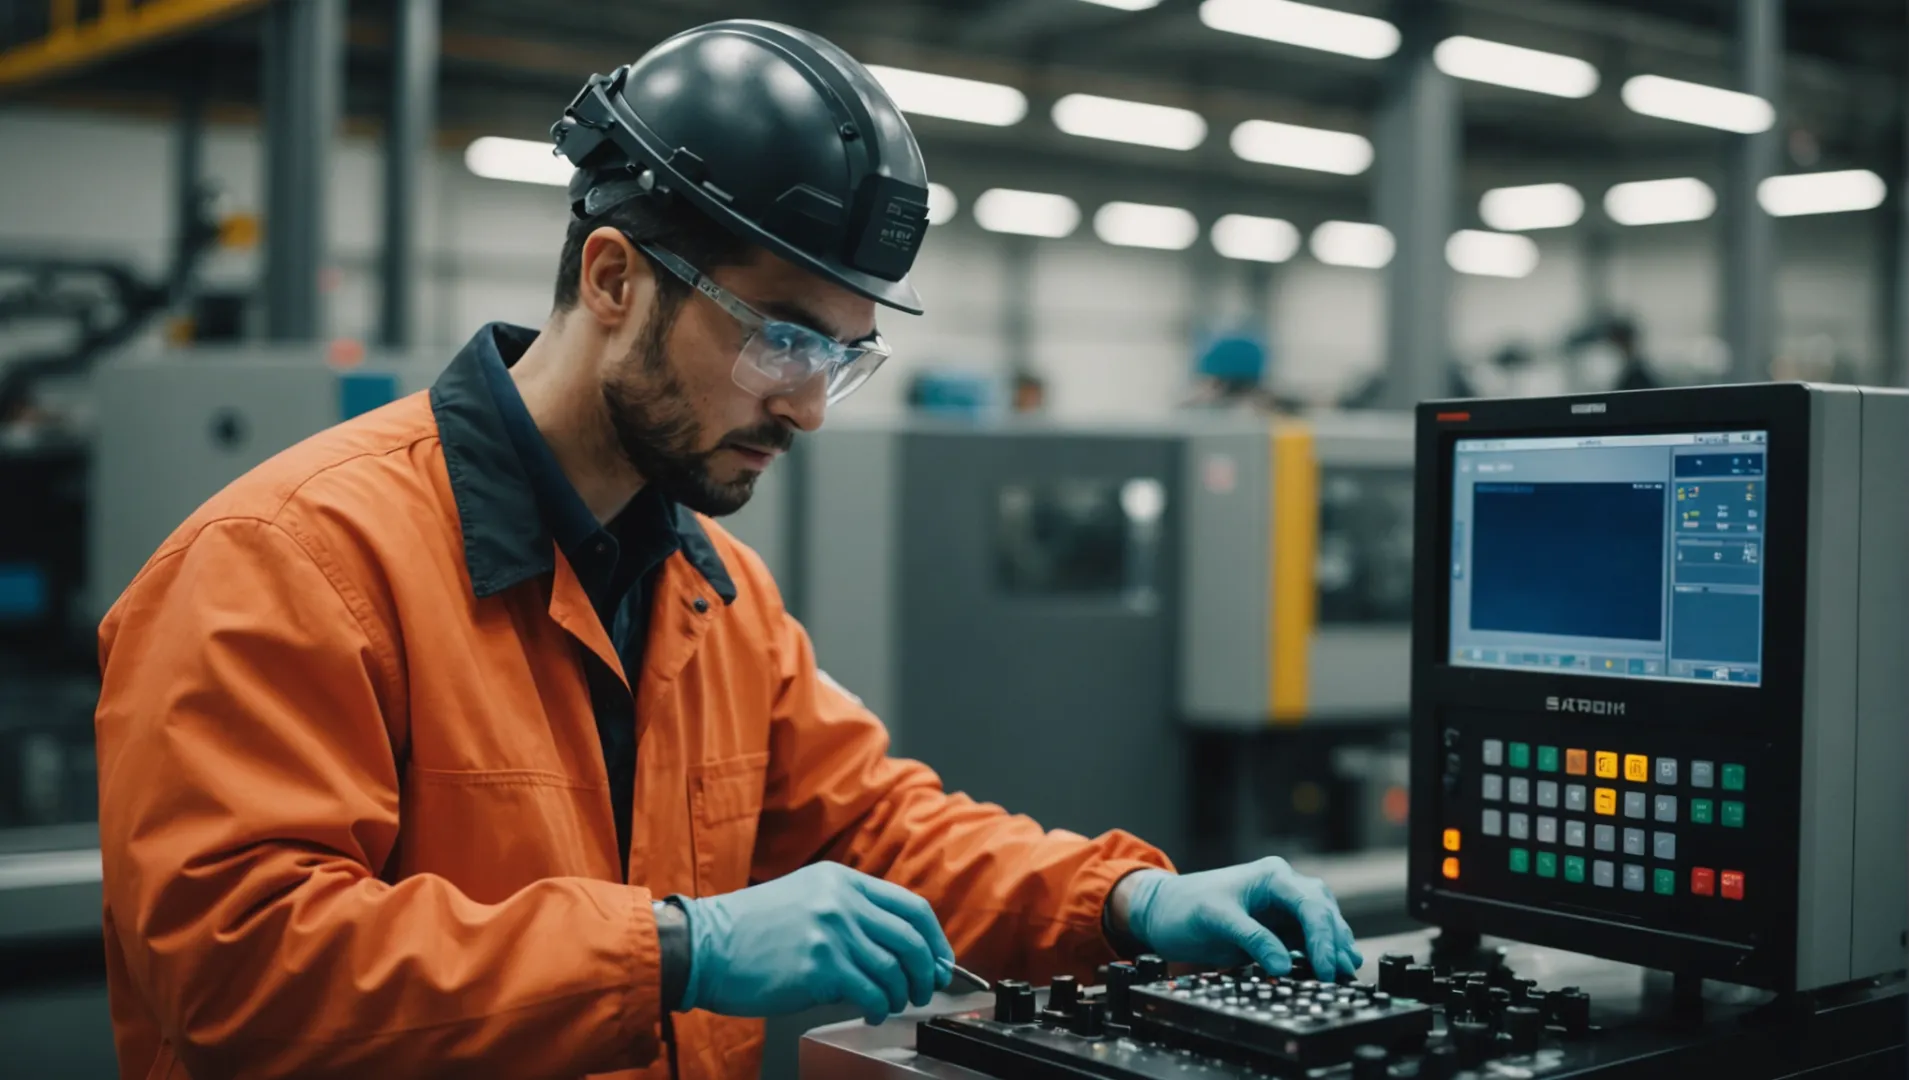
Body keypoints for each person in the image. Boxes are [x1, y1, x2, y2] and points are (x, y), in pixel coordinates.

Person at [92, 20, 1360, 1080]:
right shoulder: (293, 562)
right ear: (610, 279)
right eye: (782, 339)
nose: (808, 406)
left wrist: (1123, 904)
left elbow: (876, 829)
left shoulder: (708, 588)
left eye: (840, 358)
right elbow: (234, 967)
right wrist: (677, 951)